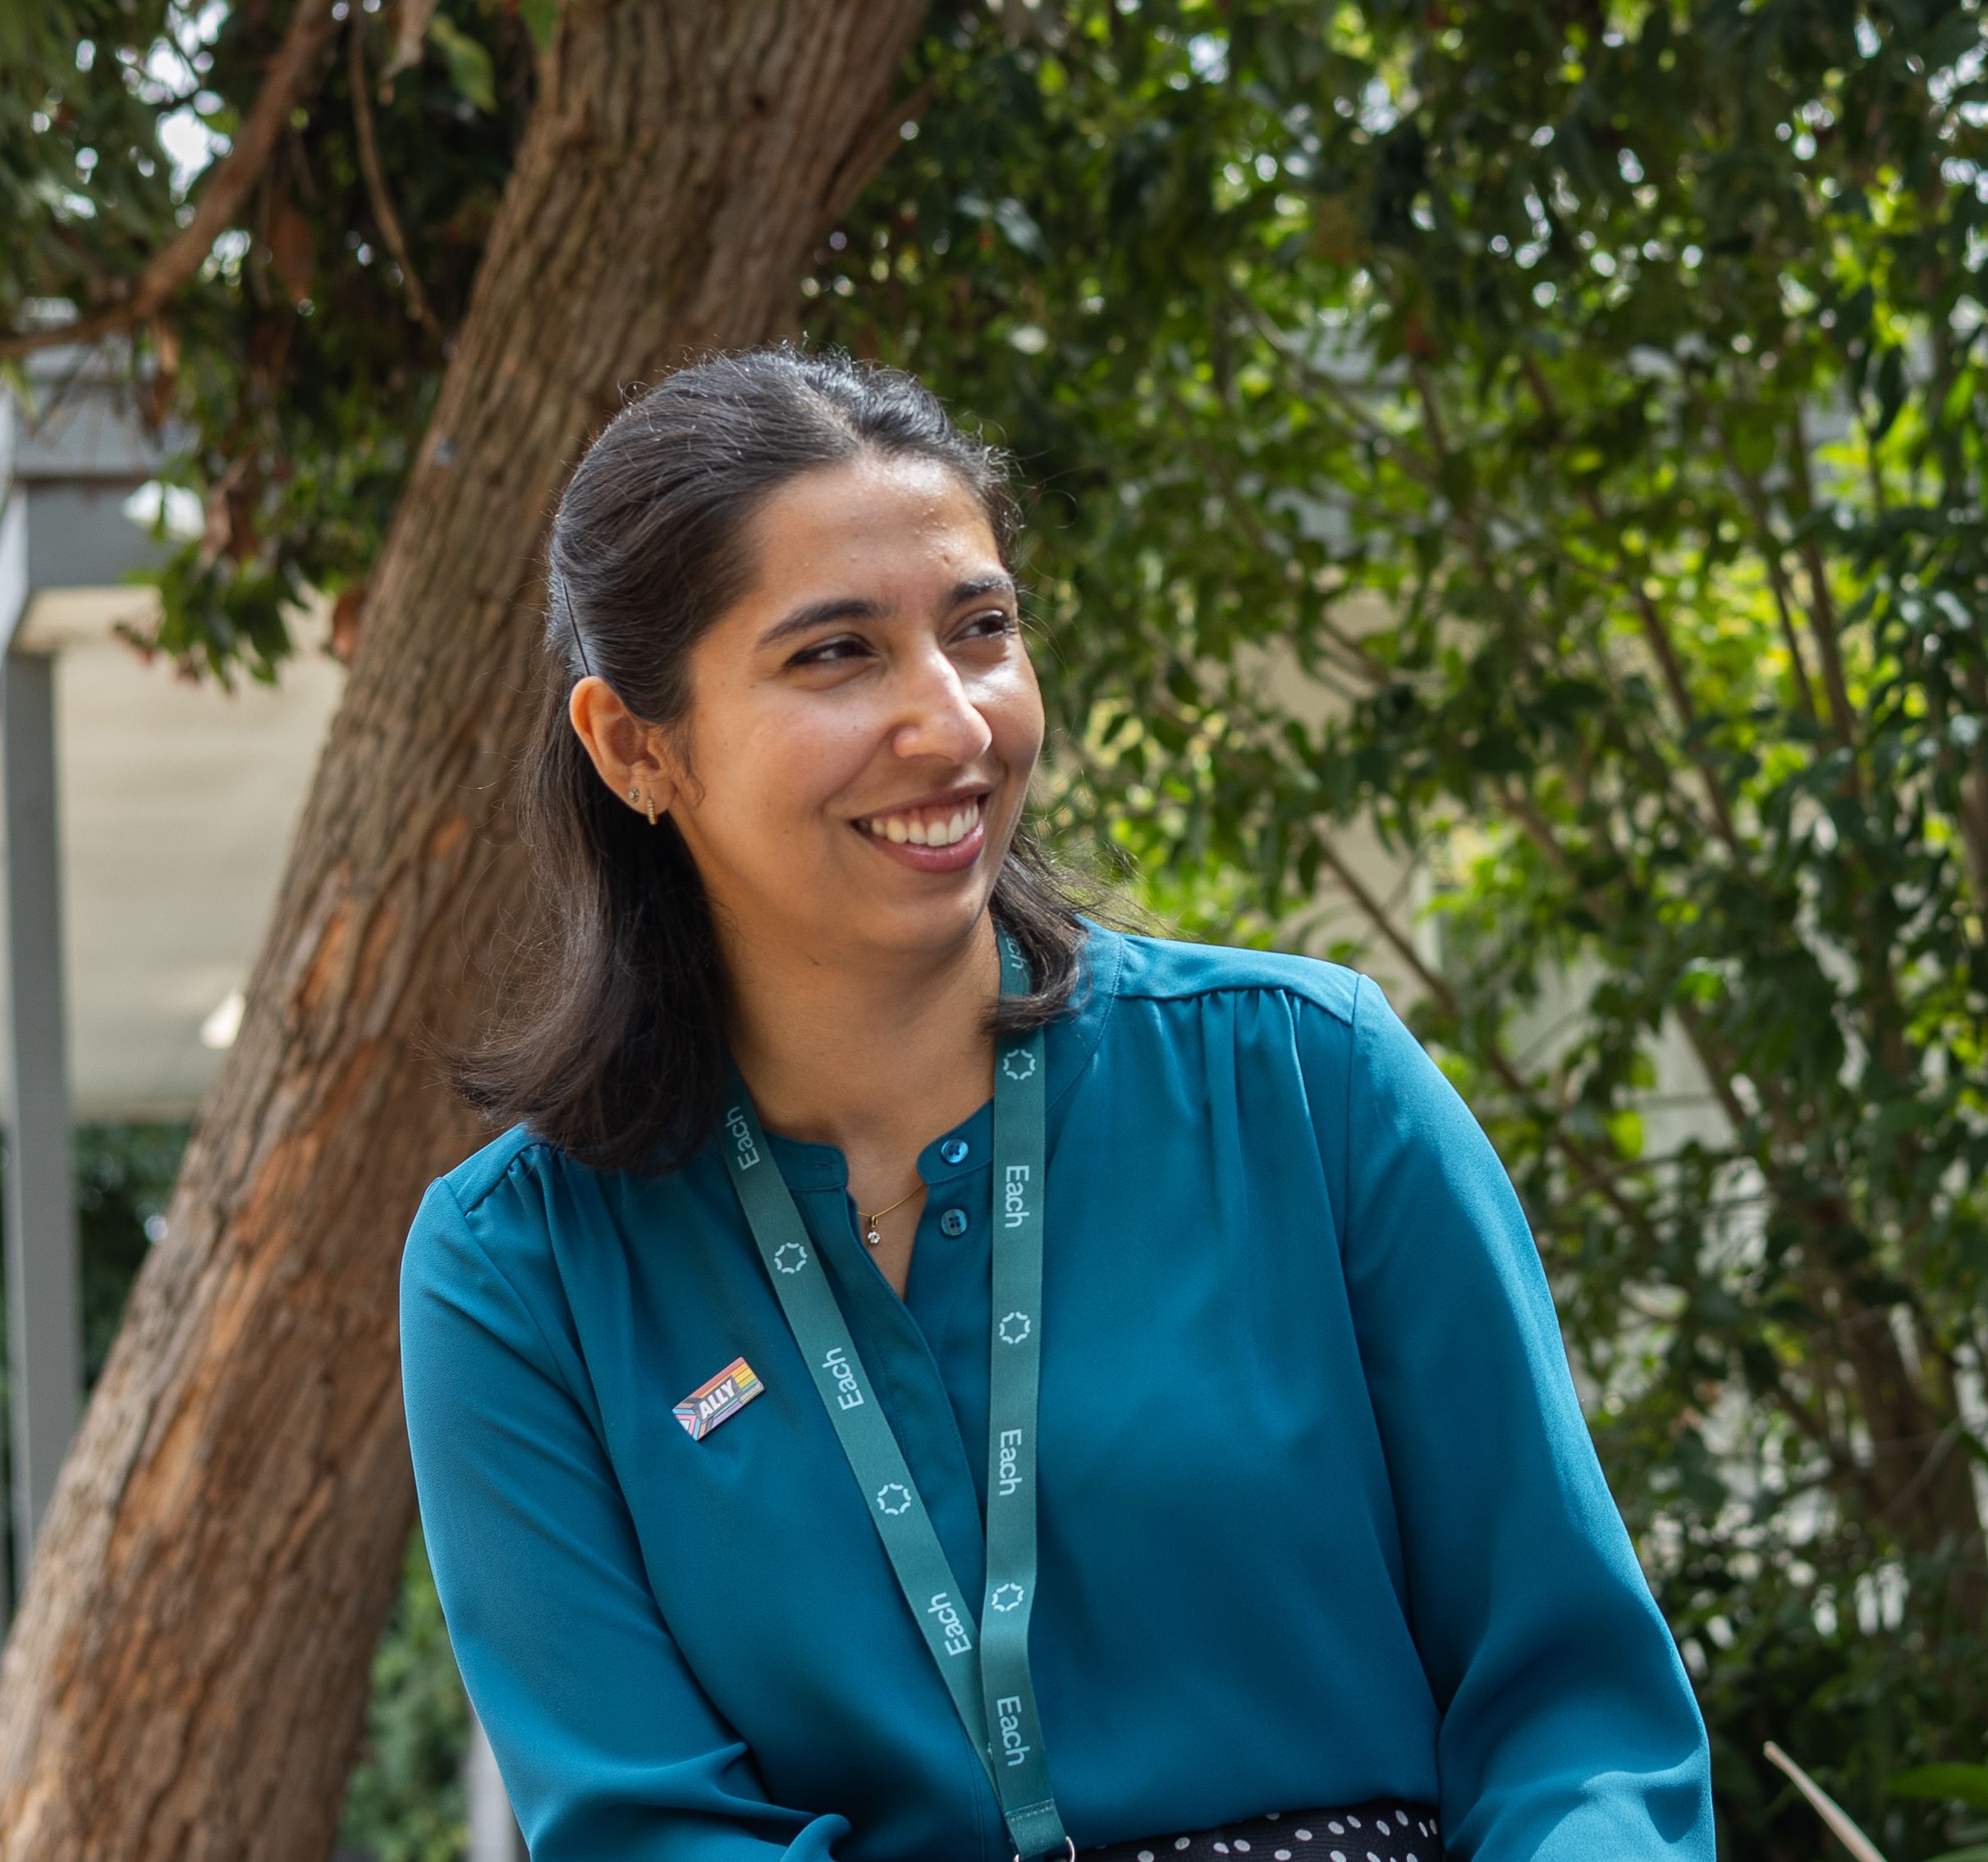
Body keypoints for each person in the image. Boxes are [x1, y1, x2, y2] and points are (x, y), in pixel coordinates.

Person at [398, 349, 1715, 1862]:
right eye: (836, 655)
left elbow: (1573, 1708)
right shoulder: (519, 1272)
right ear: (637, 747)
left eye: (982, 630)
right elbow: (647, 1831)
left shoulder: (1309, 1080)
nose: (952, 725)